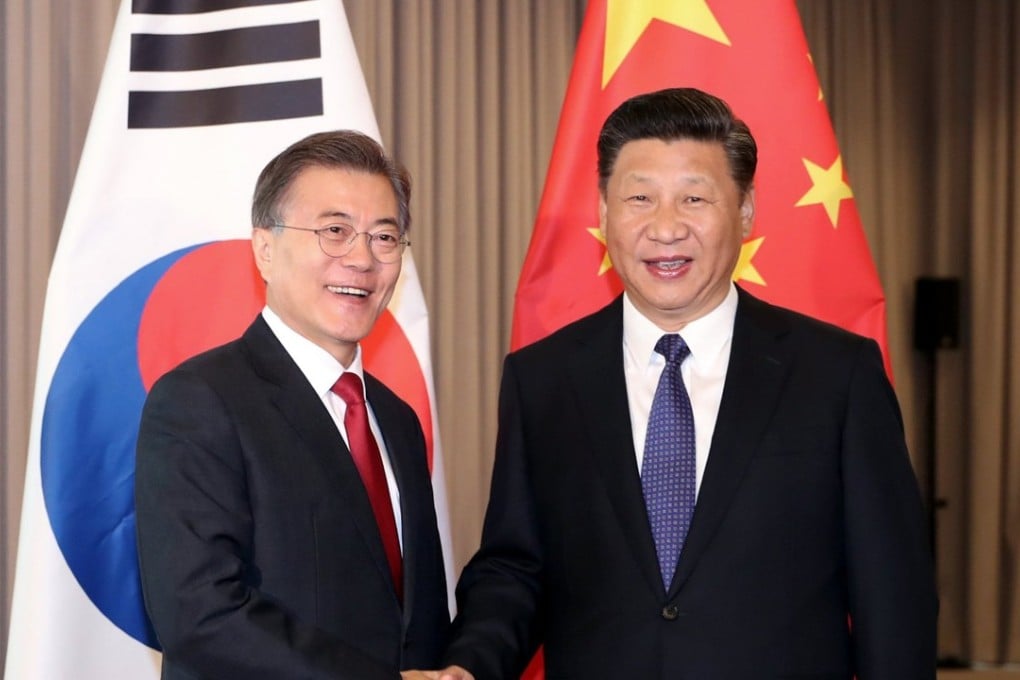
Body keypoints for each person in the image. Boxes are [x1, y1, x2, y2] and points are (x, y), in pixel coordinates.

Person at [435, 88, 937, 679]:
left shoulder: (837, 374)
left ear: (746, 209)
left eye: (694, 198)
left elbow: (892, 597)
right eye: (639, 198)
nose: (665, 228)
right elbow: (517, 568)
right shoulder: (542, 377)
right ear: (602, 211)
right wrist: (468, 666)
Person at [135, 130, 449, 679]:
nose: (361, 259)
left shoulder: (396, 419)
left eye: (384, 237)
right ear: (265, 249)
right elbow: (199, 614)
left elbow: (412, 620)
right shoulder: (200, 401)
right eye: (334, 231)